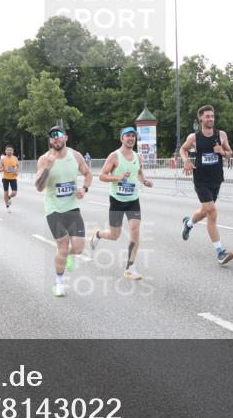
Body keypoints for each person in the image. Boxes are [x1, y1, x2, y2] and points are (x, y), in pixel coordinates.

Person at [89, 126, 154, 280]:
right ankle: (98, 234)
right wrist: (118, 177)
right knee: (114, 235)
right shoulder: (114, 156)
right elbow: (102, 176)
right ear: (122, 138)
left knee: (135, 231)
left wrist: (144, 181)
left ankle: (130, 268)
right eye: (128, 136)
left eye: (133, 136)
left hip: (133, 200)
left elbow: (138, 172)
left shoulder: (138, 157)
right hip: (117, 200)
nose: (131, 138)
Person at [35, 126, 92, 297]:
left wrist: (84, 189)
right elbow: (39, 187)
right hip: (53, 209)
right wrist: (47, 168)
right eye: (52, 136)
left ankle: (70, 255)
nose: (56, 138)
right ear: (50, 140)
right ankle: (59, 283)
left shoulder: (76, 156)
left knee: (79, 248)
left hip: (72, 207)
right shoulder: (44, 159)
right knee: (63, 244)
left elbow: (88, 174)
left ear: (65, 137)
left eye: (59, 135)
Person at [179, 105, 233, 265]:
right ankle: (220, 252)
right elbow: (183, 149)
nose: (211, 119)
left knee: (204, 212)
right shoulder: (194, 138)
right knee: (212, 212)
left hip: (216, 179)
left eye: (212, 116)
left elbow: (230, 153)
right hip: (201, 180)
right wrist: (186, 160)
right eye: (207, 116)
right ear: (201, 118)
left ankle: (188, 223)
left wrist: (222, 152)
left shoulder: (221, 135)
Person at [0, 144, 20, 212]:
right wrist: (3, 169)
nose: (9, 151)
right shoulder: (3, 159)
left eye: (11, 150)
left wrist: (17, 171)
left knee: (14, 193)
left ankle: (9, 197)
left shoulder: (15, 158)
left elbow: (18, 166)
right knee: (6, 192)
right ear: (5, 151)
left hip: (13, 178)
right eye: (8, 150)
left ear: (13, 151)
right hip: (5, 178)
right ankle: (7, 206)